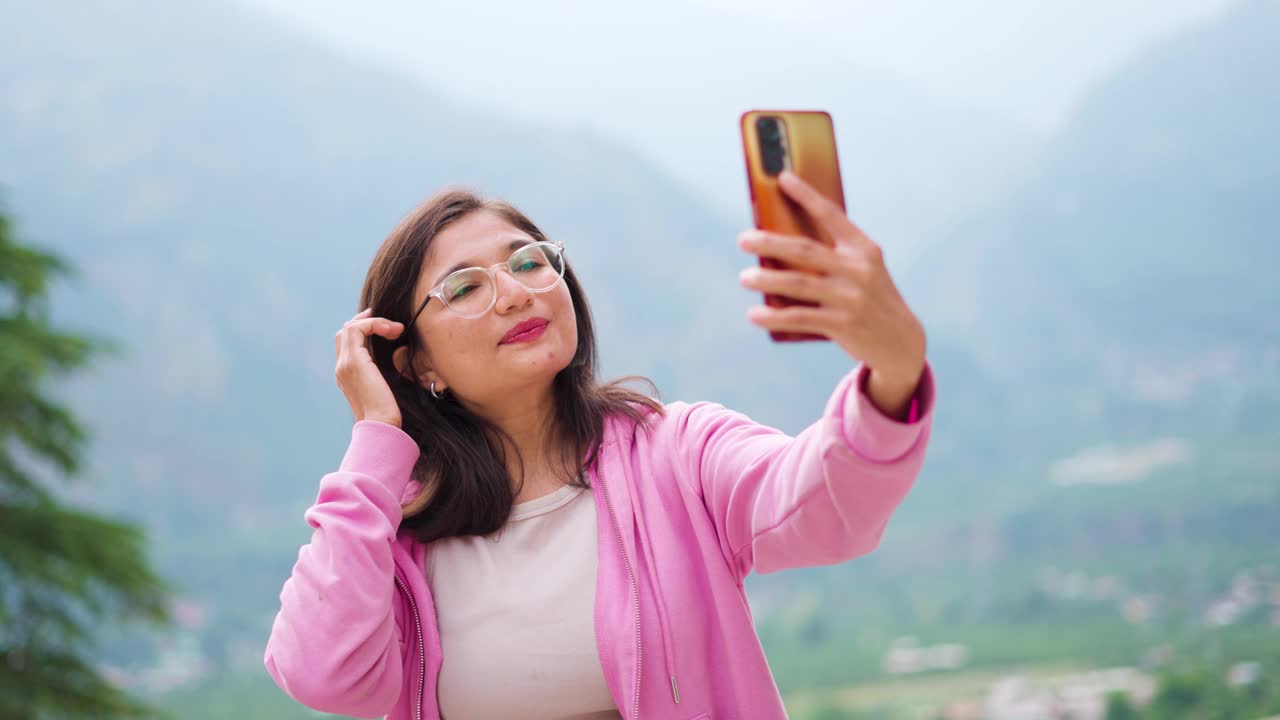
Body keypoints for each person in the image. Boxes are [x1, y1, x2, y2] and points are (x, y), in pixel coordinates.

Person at [264, 170, 935, 720]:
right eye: (465, 287)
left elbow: (823, 505)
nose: (515, 293)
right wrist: (377, 442)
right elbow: (323, 674)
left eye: (529, 262)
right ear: (414, 364)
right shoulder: (394, 532)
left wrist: (894, 373)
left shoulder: (678, 452)